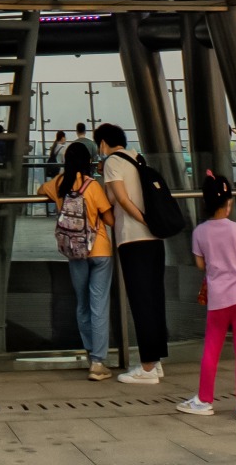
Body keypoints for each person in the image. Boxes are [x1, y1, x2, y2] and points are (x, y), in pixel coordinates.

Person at [95, 123, 169, 385]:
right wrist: (153, 225)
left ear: (103, 143)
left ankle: (147, 368)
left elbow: (120, 200)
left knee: (141, 302)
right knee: (154, 299)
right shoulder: (138, 158)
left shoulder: (113, 162)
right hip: (154, 241)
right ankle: (156, 361)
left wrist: (145, 220)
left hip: (133, 239)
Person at [180, 175, 236, 420]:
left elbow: (201, 263)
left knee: (211, 350)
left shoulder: (200, 232)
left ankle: (204, 400)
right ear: (228, 203)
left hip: (218, 299)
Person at [40, 138, 118, 380]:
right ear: (88, 162)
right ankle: (97, 362)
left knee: (82, 303)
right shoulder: (92, 186)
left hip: (75, 253)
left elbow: (40, 190)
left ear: (65, 160)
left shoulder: (60, 184)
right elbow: (110, 220)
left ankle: (89, 352)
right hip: (100, 251)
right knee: (99, 305)